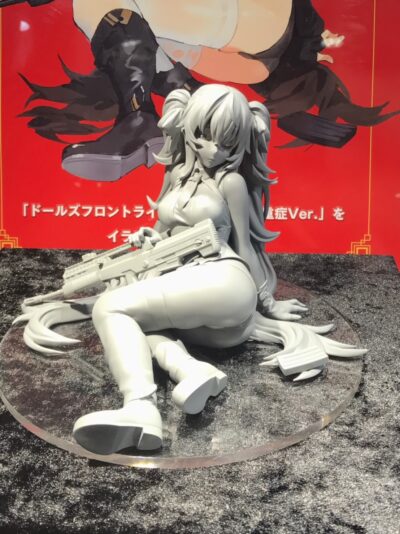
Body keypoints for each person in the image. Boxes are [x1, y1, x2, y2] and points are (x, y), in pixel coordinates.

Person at [18, 85, 365, 455]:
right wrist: (150, 236)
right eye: (204, 136)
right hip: (185, 289)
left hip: (223, 280)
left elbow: (245, 246)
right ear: (187, 128)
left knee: (110, 307)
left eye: (228, 143)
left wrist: (267, 302)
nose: (215, 151)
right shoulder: (177, 175)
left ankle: (140, 407)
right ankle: (191, 371)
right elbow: (164, 230)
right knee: (138, 322)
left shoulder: (231, 182)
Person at [19, 0, 398, 181]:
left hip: (258, 22)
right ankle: (162, 112)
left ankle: (146, 117)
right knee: (105, 8)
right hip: (235, 42)